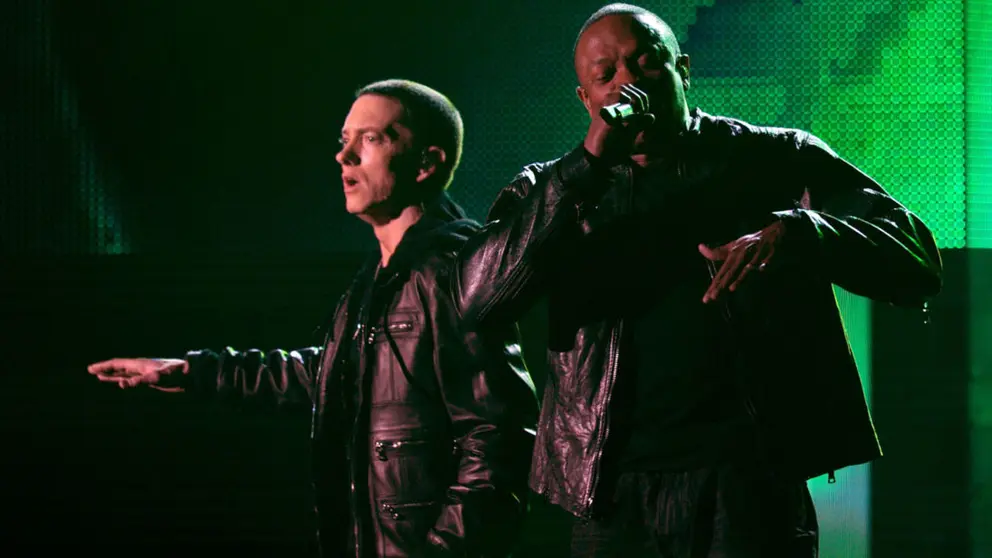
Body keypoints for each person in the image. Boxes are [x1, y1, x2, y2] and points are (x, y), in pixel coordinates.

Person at [453, 4, 942, 557]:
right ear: (584, 100)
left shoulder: (774, 158)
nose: (629, 82)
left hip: (751, 485)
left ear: (683, 70)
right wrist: (586, 164)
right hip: (615, 496)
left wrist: (800, 232)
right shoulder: (554, 190)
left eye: (647, 62)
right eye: (605, 74)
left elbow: (916, 256)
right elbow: (476, 300)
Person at [88, 79, 539, 558]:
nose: (344, 157)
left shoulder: (452, 271)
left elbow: (501, 437)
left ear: (427, 163)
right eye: (343, 140)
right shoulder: (376, 284)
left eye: (370, 139)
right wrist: (192, 371)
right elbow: (322, 374)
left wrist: (443, 550)